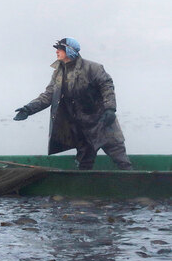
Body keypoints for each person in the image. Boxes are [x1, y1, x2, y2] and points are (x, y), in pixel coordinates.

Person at [13, 37, 132, 170]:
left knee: (120, 157)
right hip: (81, 127)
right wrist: (28, 109)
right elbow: (48, 95)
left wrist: (110, 109)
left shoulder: (93, 68)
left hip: (102, 121)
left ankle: (134, 183)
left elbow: (107, 86)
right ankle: (83, 188)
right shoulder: (59, 73)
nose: (57, 51)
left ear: (70, 51)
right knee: (84, 163)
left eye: (60, 49)